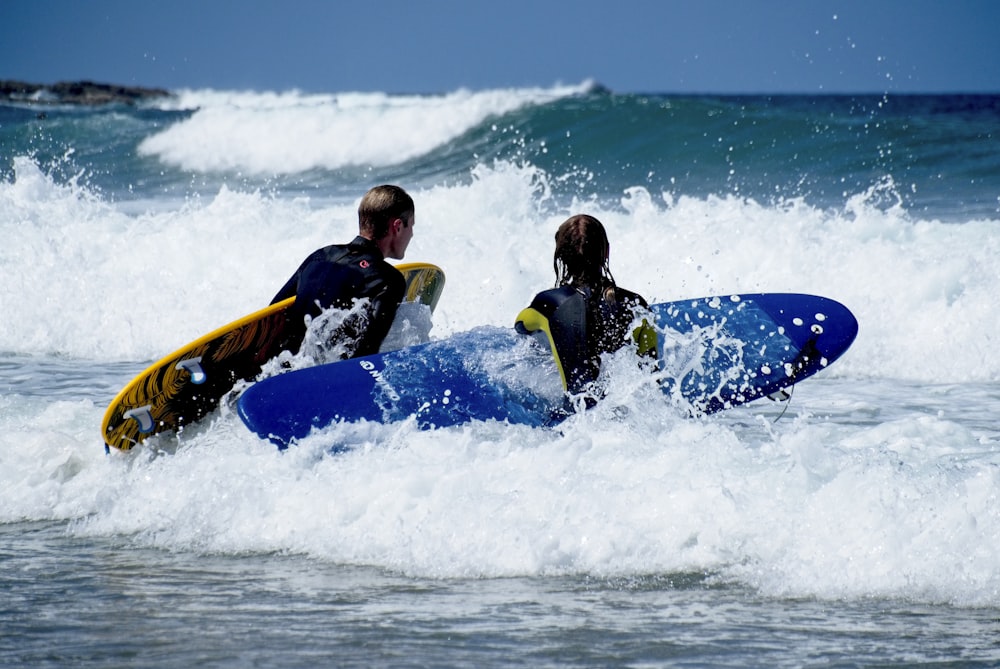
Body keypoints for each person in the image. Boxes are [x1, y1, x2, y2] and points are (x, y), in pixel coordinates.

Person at [516, 214, 656, 396]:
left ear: (561, 257)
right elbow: (651, 375)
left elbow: (521, 326)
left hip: (574, 417)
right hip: (626, 414)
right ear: (606, 252)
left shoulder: (549, 303)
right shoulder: (636, 304)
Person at [271, 184, 415, 359]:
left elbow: (273, 313)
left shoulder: (320, 256)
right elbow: (367, 351)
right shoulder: (388, 280)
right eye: (411, 226)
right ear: (397, 227)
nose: (412, 234)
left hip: (284, 361)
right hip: (321, 374)